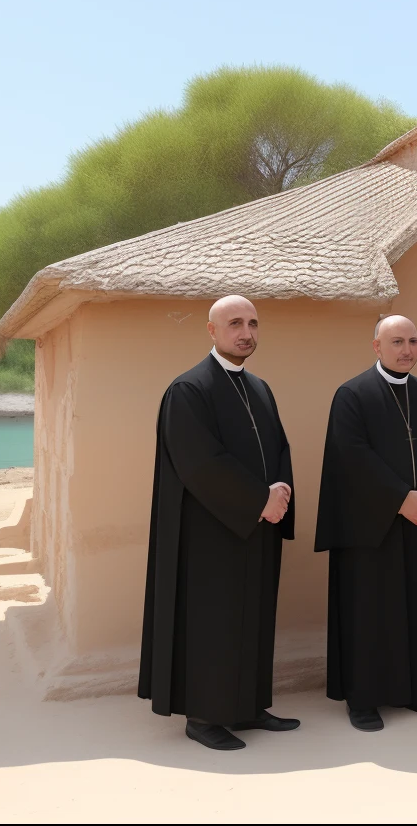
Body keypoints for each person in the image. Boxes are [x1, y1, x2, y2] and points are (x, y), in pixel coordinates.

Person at [138, 295, 298, 751]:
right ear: (212, 331)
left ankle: (247, 707)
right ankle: (205, 716)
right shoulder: (189, 390)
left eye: (251, 323)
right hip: (210, 532)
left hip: (258, 527)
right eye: (234, 324)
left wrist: (281, 491)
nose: (245, 333)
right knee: (214, 623)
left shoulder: (261, 388)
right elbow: (200, 464)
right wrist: (258, 500)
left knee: (254, 617)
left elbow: (280, 448)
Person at [316, 315, 417, 732]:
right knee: (370, 614)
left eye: (413, 341)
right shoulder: (352, 395)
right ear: (376, 347)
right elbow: (351, 456)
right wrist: (400, 499)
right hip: (371, 529)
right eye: (397, 341)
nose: (407, 350)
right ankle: (362, 699)